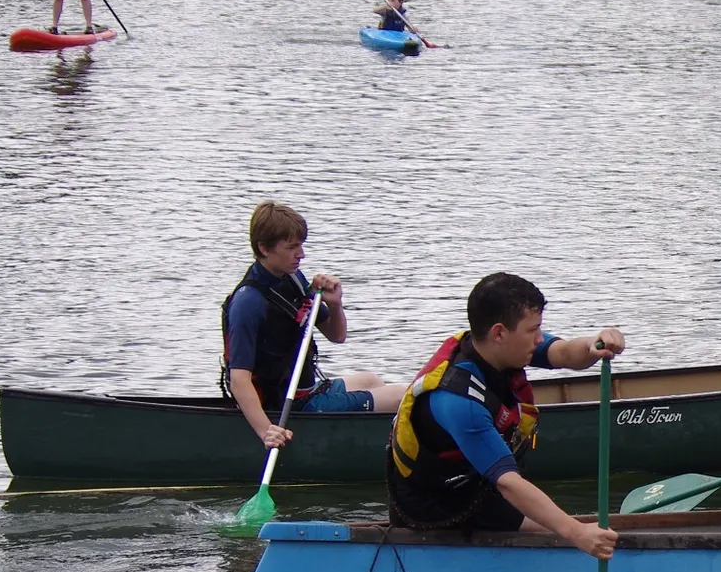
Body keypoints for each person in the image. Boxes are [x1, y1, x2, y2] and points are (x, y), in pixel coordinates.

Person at [387, 272, 621, 552]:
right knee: (564, 530)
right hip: (437, 507)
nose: (538, 339)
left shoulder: (500, 347)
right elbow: (508, 483)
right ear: (499, 332)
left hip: (473, 482)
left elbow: (564, 353)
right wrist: (576, 533)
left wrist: (594, 344)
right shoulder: (459, 401)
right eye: (533, 330)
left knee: (559, 523)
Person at [222, 201, 405, 450]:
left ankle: (373, 442)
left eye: (301, 245)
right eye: (292, 247)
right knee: (402, 396)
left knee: (371, 379)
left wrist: (336, 304)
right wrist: (267, 432)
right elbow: (239, 380)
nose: (301, 254)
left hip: (308, 390)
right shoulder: (248, 303)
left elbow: (337, 335)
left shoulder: (293, 280)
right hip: (287, 406)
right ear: (264, 248)